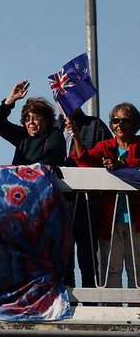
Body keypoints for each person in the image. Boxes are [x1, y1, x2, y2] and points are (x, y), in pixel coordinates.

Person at [70, 102, 140, 288]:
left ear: (135, 124)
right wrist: (76, 135)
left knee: (137, 269)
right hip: (110, 218)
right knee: (111, 269)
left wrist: (123, 164)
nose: (120, 125)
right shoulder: (105, 146)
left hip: (137, 219)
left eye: (125, 120)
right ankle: (114, 310)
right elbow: (85, 161)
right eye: (116, 121)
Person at [0, 81, 66, 168]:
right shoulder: (22, 135)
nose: (30, 122)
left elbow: (50, 160)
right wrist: (10, 100)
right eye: (27, 119)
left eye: (35, 118)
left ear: (47, 119)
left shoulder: (55, 135)